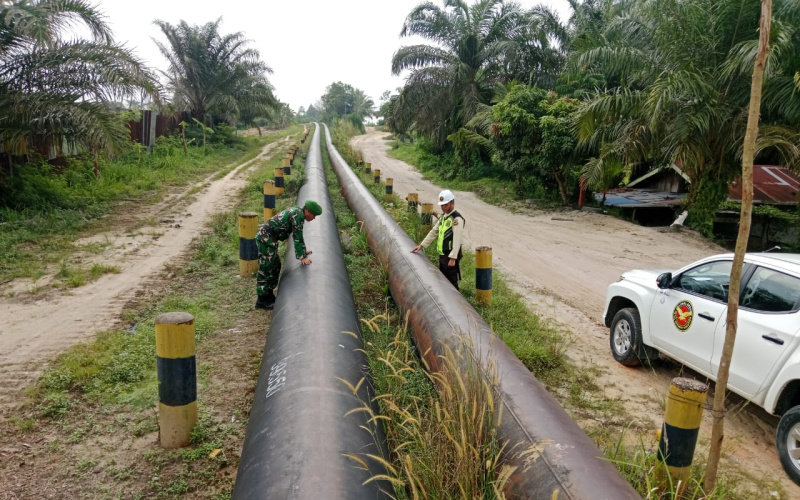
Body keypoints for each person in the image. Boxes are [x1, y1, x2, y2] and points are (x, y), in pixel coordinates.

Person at [255, 200, 322, 310]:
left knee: (275, 265)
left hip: (271, 239)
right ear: (307, 211)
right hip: (265, 238)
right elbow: (297, 236)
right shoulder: (298, 215)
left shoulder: (298, 213)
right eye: (313, 215)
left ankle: (269, 296)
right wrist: (302, 257)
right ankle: (262, 300)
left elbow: (299, 235)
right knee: (267, 267)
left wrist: (303, 251)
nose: (313, 218)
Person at [410, 189, 465, 290]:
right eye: (442, 205)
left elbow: (457, 240)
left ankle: (456, 303)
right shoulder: (444, 217)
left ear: (452, 203)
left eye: (445, 204)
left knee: (452, 283)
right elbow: (434, 232)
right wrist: (421, 245)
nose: (443, 207)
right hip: (443, 255)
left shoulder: (456, 219)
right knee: (443, 280)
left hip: (450, 257)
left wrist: (453, 258)